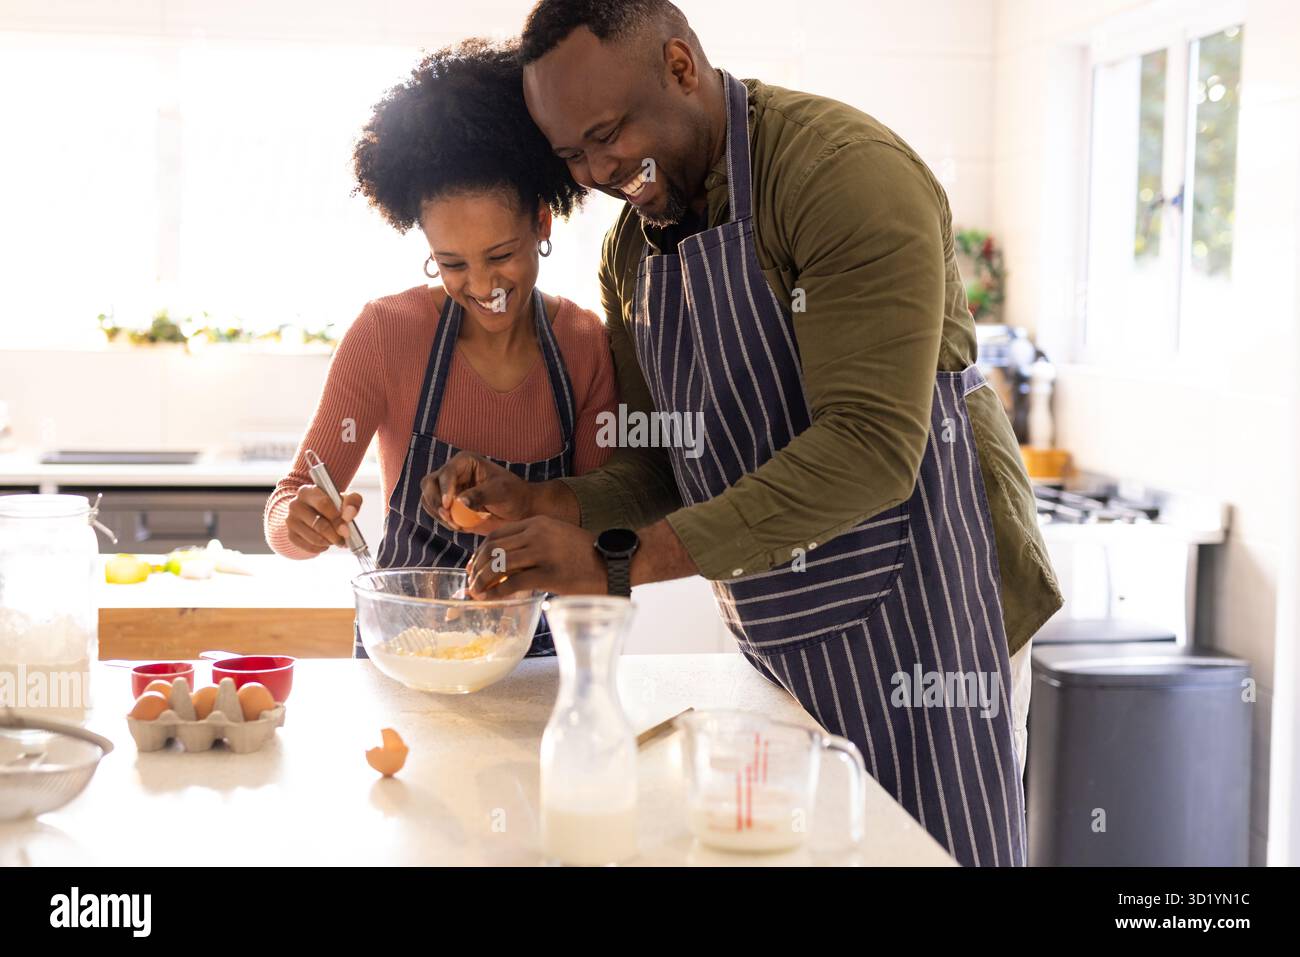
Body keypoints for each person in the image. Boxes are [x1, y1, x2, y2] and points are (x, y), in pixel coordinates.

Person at [432, 1, 1065, 866]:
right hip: (787, 627)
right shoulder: (632, 252)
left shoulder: (843, 175)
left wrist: (621, 563)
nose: (598, 170)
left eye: (608, 133)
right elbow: (665, 457)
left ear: (682, 66)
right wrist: (550, 502)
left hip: (936, 608)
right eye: (571, 154)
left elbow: (871, 448)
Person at [264, 38, 618, 658]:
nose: (483, 288)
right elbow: (290, 504)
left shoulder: (584, 343)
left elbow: (609, 525)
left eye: (501, 255)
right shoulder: (386, 335)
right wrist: (300, 520)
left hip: (541, 658)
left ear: (542, 221)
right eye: (452, 263)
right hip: (406, 659)